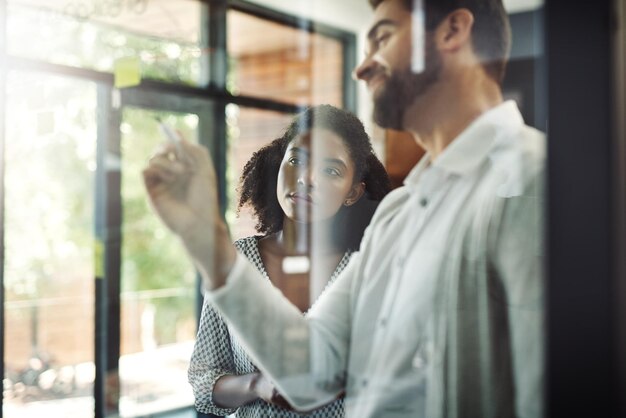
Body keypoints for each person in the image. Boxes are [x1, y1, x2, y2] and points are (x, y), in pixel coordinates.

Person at [143, 0, 545, 417]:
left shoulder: (535, 180)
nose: (362, 67)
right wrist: (205, 239)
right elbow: (309, 373)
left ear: (452, 31)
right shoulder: (400, 214)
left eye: (383, 37)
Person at [187, 105, 390, 417]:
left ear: (353, 192)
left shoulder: (368, 271)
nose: (306, 178)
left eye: (330, 170)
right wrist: (256, 385)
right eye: (296, 160)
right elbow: (203, 382)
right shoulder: (237, 261)